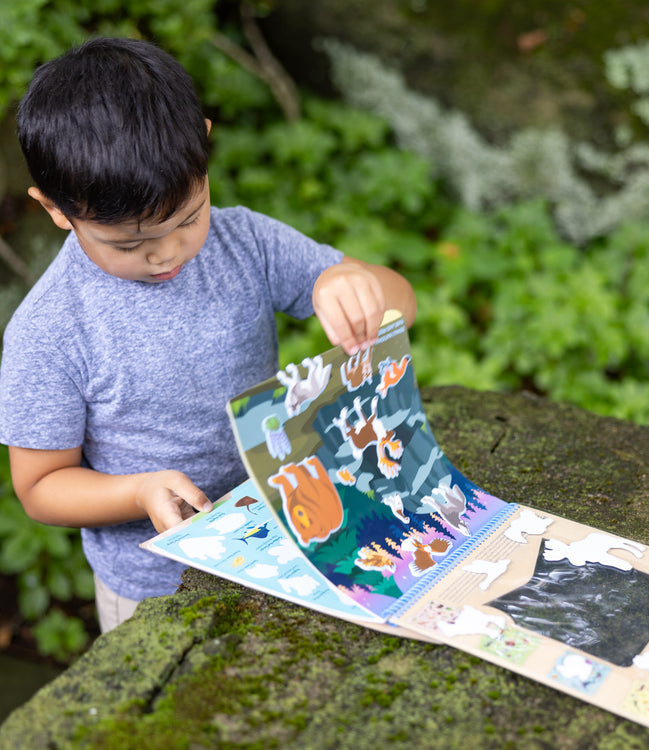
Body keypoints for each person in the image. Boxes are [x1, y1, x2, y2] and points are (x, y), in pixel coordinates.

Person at [0, 37, 416, 633]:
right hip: (154, 587)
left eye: (188, 217)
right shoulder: (50, 332)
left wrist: (350, 281)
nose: (167, 253)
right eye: (128, 244)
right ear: (56, 209)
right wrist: (138, 492)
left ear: (204, 141)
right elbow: (40, 486)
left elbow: (402, 303)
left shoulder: (244, 244)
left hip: (285, 540)